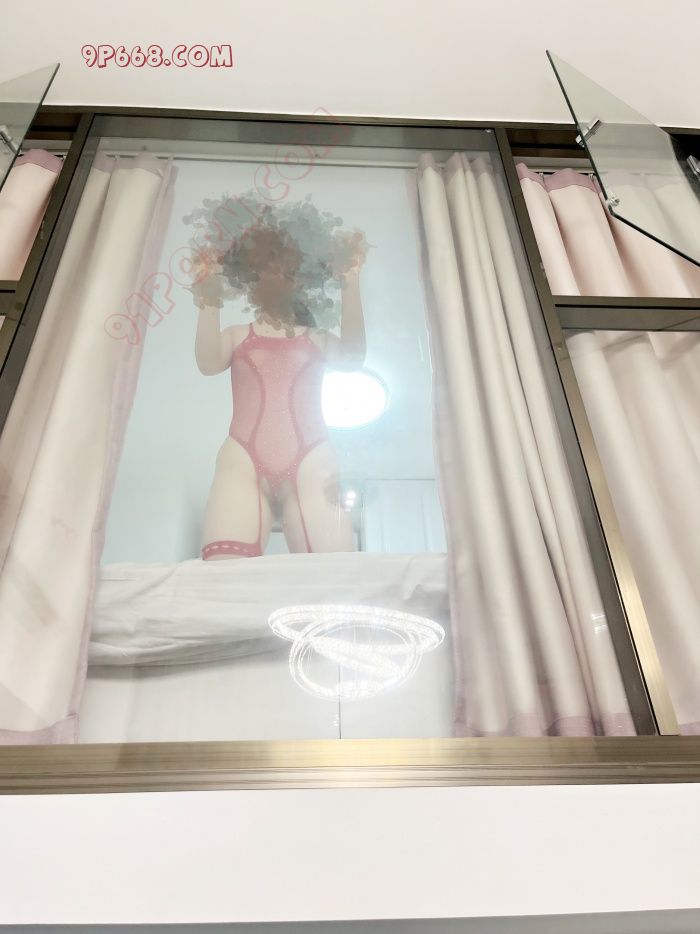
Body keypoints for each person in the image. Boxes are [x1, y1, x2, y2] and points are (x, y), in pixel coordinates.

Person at [187, 199, 368, 559]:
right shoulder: (238, 336)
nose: (276, 275)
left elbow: (352, 358)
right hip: (242, 459)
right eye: (266, 267)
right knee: (224, 570)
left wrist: (350, 282)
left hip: (312, 458)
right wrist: (208, 292)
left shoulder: (317, 338)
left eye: (287, 268)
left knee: (335, 571)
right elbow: (207, 363)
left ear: (305, 277)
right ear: (249, 276)